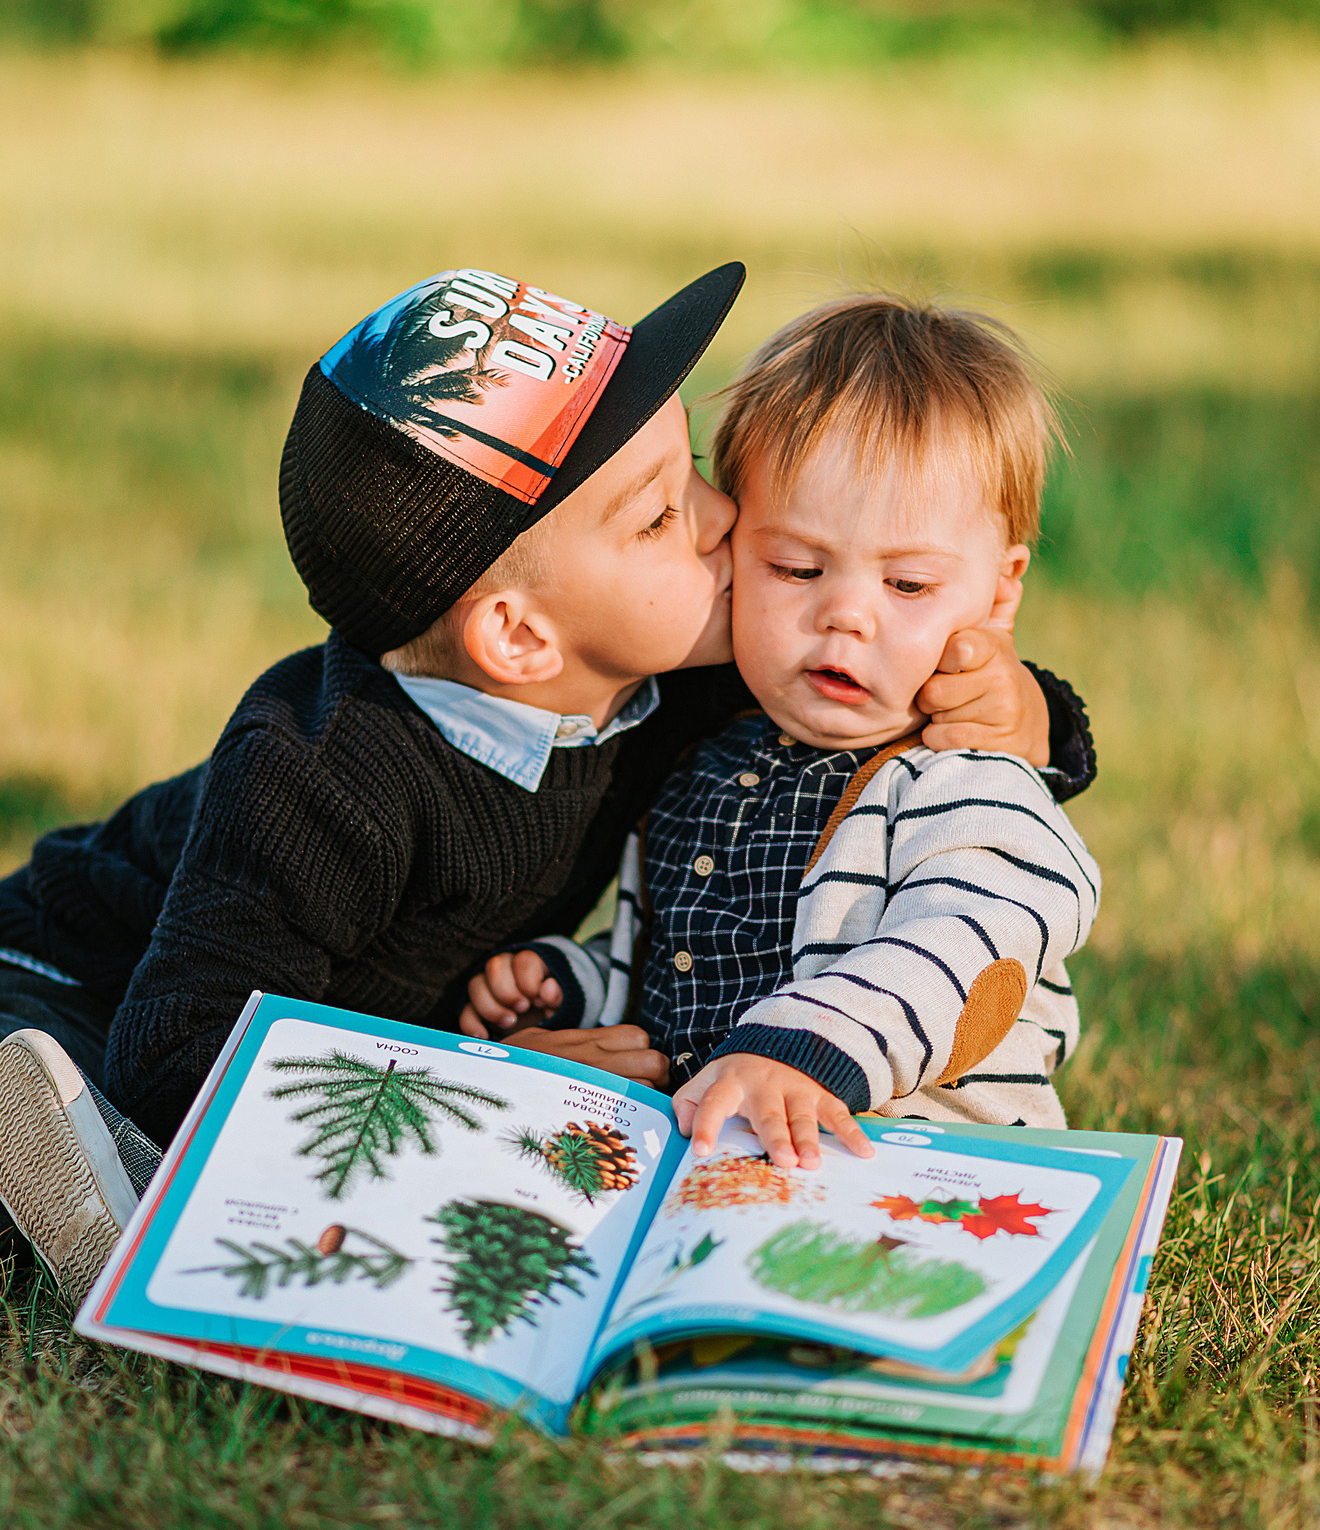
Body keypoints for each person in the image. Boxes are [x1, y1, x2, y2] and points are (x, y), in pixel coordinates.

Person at [0, 264, 1096, 1301]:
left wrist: (1011, 700)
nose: (741, 545)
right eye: (678, 518)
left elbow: (903, 734)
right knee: (8, 1160)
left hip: (258, 1019)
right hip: (78, 988)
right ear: (523, 629)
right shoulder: (320, 772)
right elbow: (187, 1042)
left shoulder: (673, 680)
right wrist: (452, 1096)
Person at [462, 293, 1100, 1170]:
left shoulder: (965, 780)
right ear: (731, 548)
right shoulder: (702, 763)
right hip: (724, 1151)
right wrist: (571, 984)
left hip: (910, 1163)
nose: (845, 615)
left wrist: (799, 1049)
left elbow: (964, 941)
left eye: (908, 586)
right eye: (796, 567)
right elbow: (678, 971)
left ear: (999, 592)